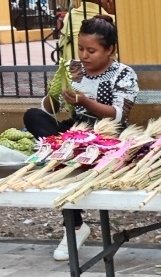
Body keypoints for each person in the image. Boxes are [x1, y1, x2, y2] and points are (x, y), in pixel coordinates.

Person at [23, 15, 140, 261]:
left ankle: (74, 227)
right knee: (32, 117)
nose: (84, 56)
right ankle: (62, 152)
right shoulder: (73, 68)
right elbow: (47, 110)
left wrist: (85, 101)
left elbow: (119, 116)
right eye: (81, 49)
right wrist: (55, 95)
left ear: (110, 50)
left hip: (107, 135)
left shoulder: (123, 73)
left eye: (91, 50)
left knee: (58, 161)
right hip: (74, 130)